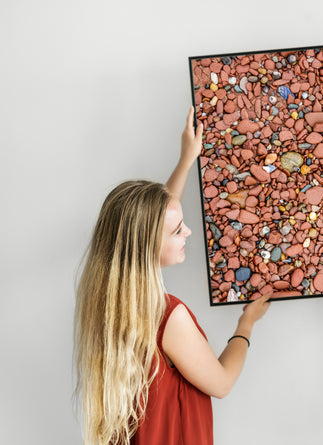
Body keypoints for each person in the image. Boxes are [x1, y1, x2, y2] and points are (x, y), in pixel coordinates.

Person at [74, 107, 271, 445]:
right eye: (179, 230)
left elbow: (154, 219)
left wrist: (187, 159)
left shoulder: (106, 299)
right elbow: (222, 383)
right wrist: (247, 324)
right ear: (150, 244)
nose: (190, 232)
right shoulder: (168, 317)